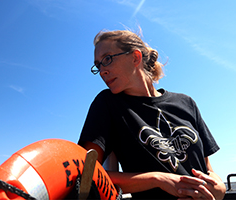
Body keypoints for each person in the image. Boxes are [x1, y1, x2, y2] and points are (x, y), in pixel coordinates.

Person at [78, 29, 226, 200]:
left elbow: (209, 171)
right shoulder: (108, 104)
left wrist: (218, 189)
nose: (102, 71)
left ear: (135, 57)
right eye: (98, 65)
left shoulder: (186, 103)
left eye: (107, 59)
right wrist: (157, 179)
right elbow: (85, 173)